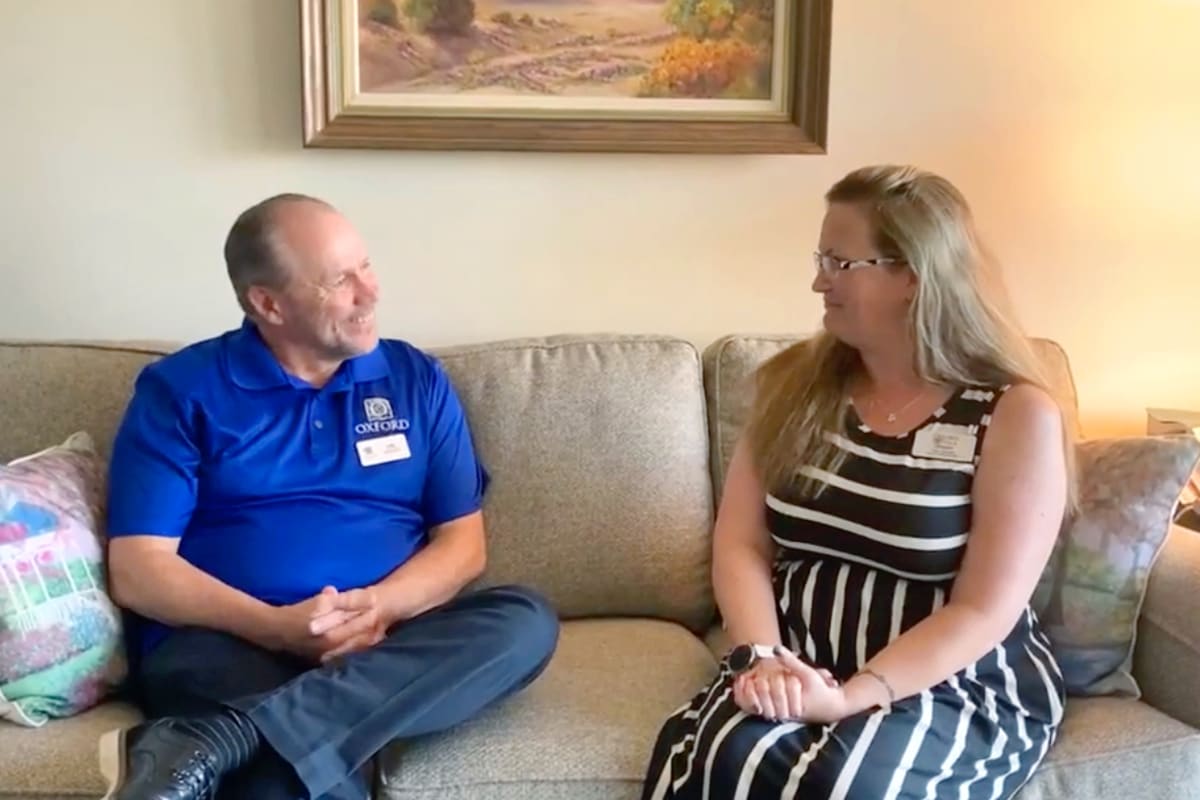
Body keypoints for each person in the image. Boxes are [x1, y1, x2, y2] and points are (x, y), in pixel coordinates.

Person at [99, 193, 559, 800]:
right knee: (284, 782)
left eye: (365, 266)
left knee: (523, 622)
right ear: (268, 303)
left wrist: (380, 607)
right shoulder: (182, 390)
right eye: (340, 280)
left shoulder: (413, 379)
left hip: (384, 639)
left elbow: (463, 543)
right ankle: (268, 732)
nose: (370, 293)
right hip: (227, 641)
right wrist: (273, 628)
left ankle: (217, 738)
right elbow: (139, 570)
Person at [642, 165, 1071, 799]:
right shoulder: (794, 384)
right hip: (795, 658)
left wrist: (850, 698)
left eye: (841, 263)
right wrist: (761, 658)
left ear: (911, 276)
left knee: (849, 783)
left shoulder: (1011, 412)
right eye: (822, 258)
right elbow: (741, 545)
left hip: (947, 680)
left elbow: (985, 609)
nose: (819, 280)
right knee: (726, 760)